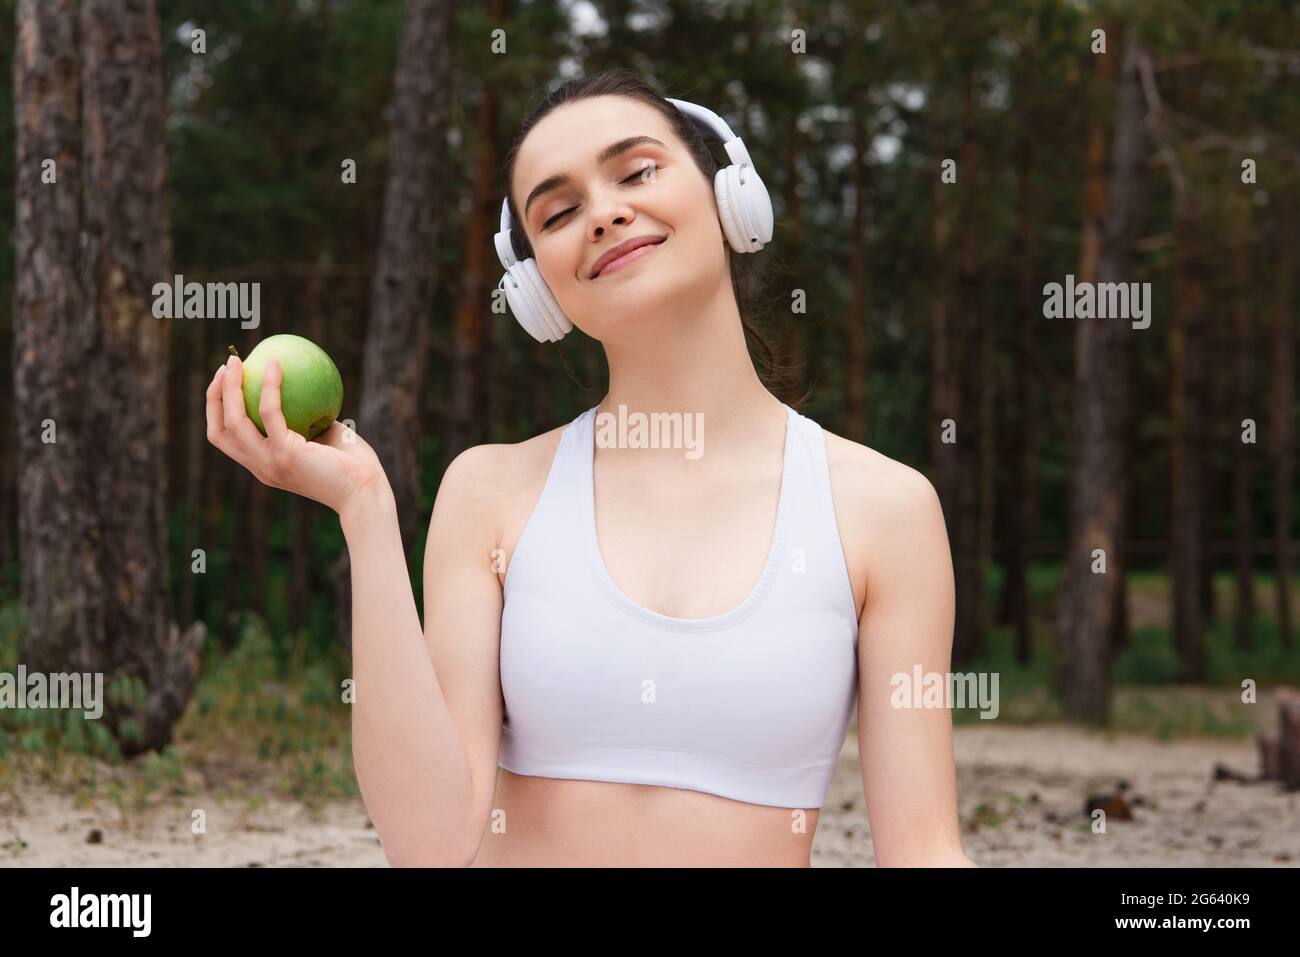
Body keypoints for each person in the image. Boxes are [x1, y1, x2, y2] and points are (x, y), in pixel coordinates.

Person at [205, 67, 973, 868]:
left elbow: (924, 849)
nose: (605, 214)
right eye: (560, 211)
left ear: (730, 197)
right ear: (540, 288)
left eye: (637, 172)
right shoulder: (490, 492)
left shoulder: (885, 508)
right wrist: (363, 509)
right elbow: (428, 843)